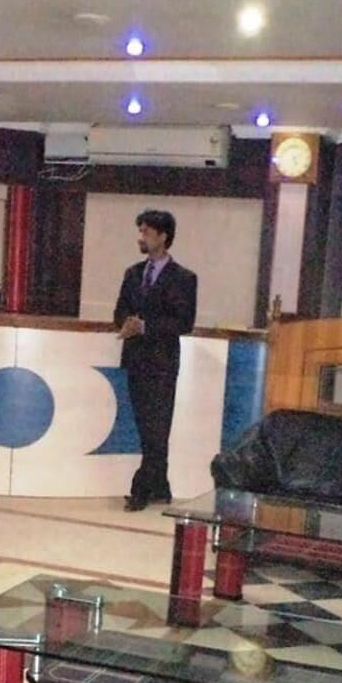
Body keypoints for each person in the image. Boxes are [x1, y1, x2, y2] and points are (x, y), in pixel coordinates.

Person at [113, 209, 197, 511]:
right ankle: (160, 486)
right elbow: (119, 310)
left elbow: (184, 322)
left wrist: (146, 326)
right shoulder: (133, 273)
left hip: (162, 362)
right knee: (147, 427)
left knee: (156, 428)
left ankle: (140, 489)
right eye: (141, 231)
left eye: (147, 232)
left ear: (163, 236)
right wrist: (126, 322)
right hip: (136, 360)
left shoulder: (184, 278)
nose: (142, 237)